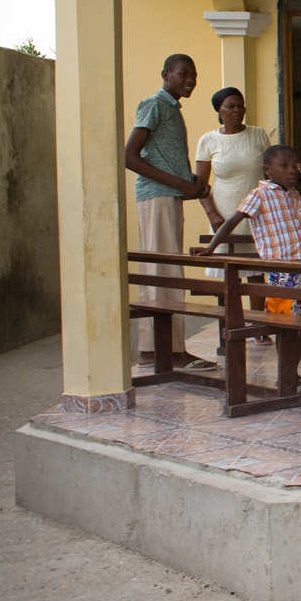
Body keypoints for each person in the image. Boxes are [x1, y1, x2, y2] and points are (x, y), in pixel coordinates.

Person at [123, 53, 213, 371]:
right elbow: (130, 157)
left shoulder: (172, 109)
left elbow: (162, 159)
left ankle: (159, 350)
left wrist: (191, 185)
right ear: (166, 74)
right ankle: (163, 351)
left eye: (194, 75)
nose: (190, 80)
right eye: (183, 74)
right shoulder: (155, 104)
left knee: (164, 273)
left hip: (168, 197)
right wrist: (179, 183)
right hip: (157, 197)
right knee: (163, 274)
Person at [195, 144, 301, 318]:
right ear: (267, 170)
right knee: (282, 317)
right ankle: (283, 344)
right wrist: (211, 248)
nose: (292, 171)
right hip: (281, 268)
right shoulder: (260, 195)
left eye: (295, 166)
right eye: (284, 165)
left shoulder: (295, 194)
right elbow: (232, 222)